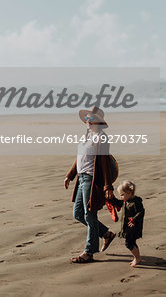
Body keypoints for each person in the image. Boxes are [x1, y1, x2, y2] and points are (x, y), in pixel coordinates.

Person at [64, 106, 116, 263]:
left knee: (90, 215)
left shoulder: (101, 138)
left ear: (98, 122)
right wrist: (70, 175)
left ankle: (89, 252)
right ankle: (106, 234)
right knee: (78, 214)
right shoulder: (87, 135)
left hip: (91, 180)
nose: (87, 121)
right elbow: (79, 157)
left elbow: (105, 163)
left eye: (91, 119)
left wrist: (107, 186)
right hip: (81, 179)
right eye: (87, 118)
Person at [110, 180, 145, 266]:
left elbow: (141, 212)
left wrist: (134, 219)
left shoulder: (136, 203)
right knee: (131, 242)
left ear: (129, 193)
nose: (121, 197)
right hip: (128, 227)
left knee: (129, 243)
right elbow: (118, 203)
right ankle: (137, 257)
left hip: (134, 226)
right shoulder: (125, 201)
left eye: (122, 195)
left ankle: (137, 258)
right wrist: (111, 199)